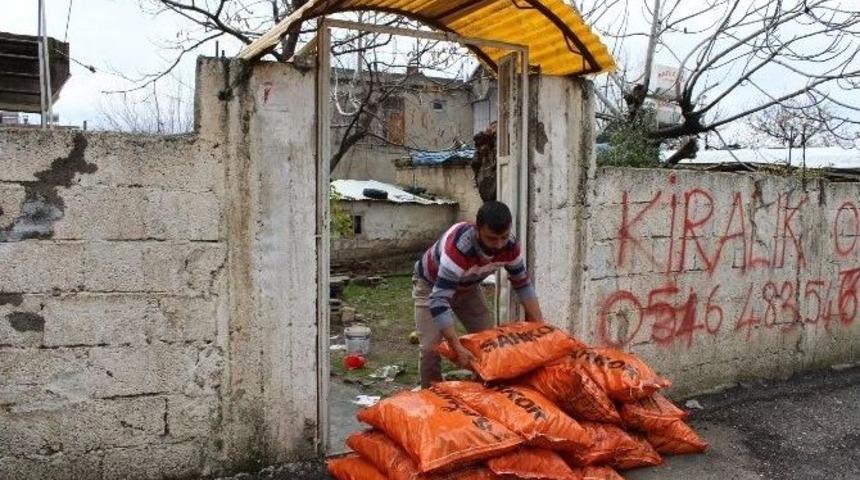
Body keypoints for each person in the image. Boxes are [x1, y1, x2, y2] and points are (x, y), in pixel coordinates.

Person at [412, 200, 544, 388]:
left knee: (489, 343)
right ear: (477, 229)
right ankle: (430, 395)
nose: (499, 245)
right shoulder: (459, 248)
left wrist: (541, 328)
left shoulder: (510, 246)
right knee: (430, 349)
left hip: (468, 288)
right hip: (431, 286)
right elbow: (439, 301)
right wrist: (457, 346)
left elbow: (523, 285)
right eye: (492, 238)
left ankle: (486, 390)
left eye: (504, 237)